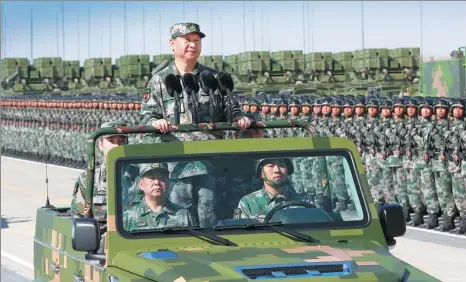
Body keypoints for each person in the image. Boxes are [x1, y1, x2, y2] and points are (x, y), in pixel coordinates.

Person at [140, 22, 254, 141]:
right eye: (187, 40)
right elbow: (147, 116)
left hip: (211, 152)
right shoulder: (159, 80)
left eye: (197, 41)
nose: (193, 45)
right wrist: (156, 122)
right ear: (172, 44)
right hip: (175, 153)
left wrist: (239, 117)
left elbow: (231, 107)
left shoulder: (213, 77)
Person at [70, 121, 139, 221]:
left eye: (121, 141)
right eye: (111, 140)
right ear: (101, 145)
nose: (117, 146)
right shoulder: (88, 180)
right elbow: (79, 220)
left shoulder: (141, 176)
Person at [235, 158, 313, 222]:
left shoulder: (304, 201)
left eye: (281, 165)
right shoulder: (248, 203)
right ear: (260, 173)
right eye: (271, 166)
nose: (277, 170)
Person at [123, 162, 196, 231]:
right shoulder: (128, 217)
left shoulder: (184, 215)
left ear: (168, 183)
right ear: (141, 184)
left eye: (162, 178)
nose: (157, 182)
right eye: (152, 178)